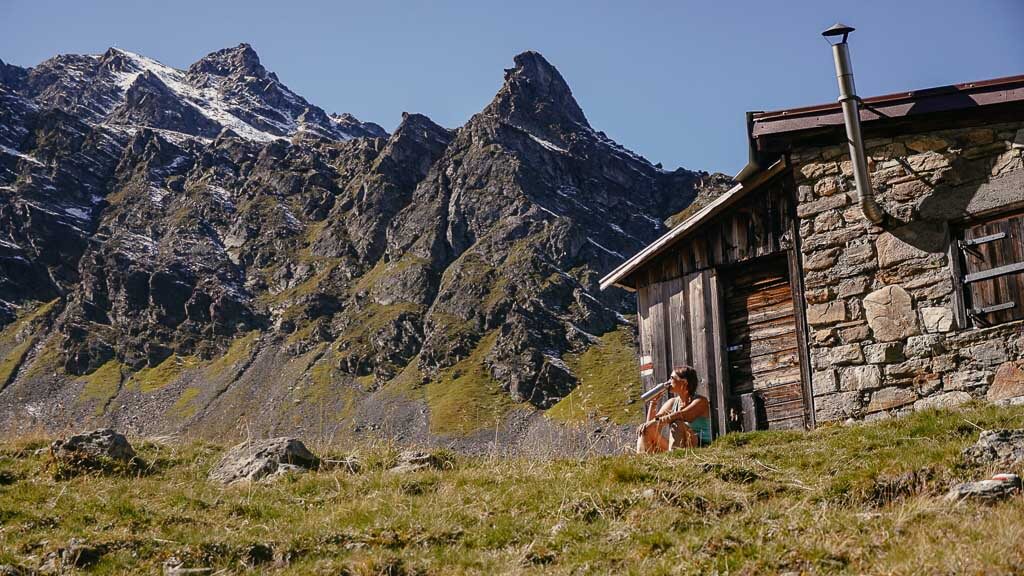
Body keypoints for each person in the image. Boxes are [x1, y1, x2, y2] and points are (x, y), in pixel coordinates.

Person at [636, 365, 712, 453]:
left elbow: (682, 415)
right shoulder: (672, 402)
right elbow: (653, 425)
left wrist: (654, 422)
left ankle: (675, 459)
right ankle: (644, 462)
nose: (669, 381)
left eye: (672, 378)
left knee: (677, 423)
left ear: (684, 382)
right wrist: (653, 403)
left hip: (698, 445)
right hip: (678, 445)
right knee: (645, 430)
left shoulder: (700, 401)